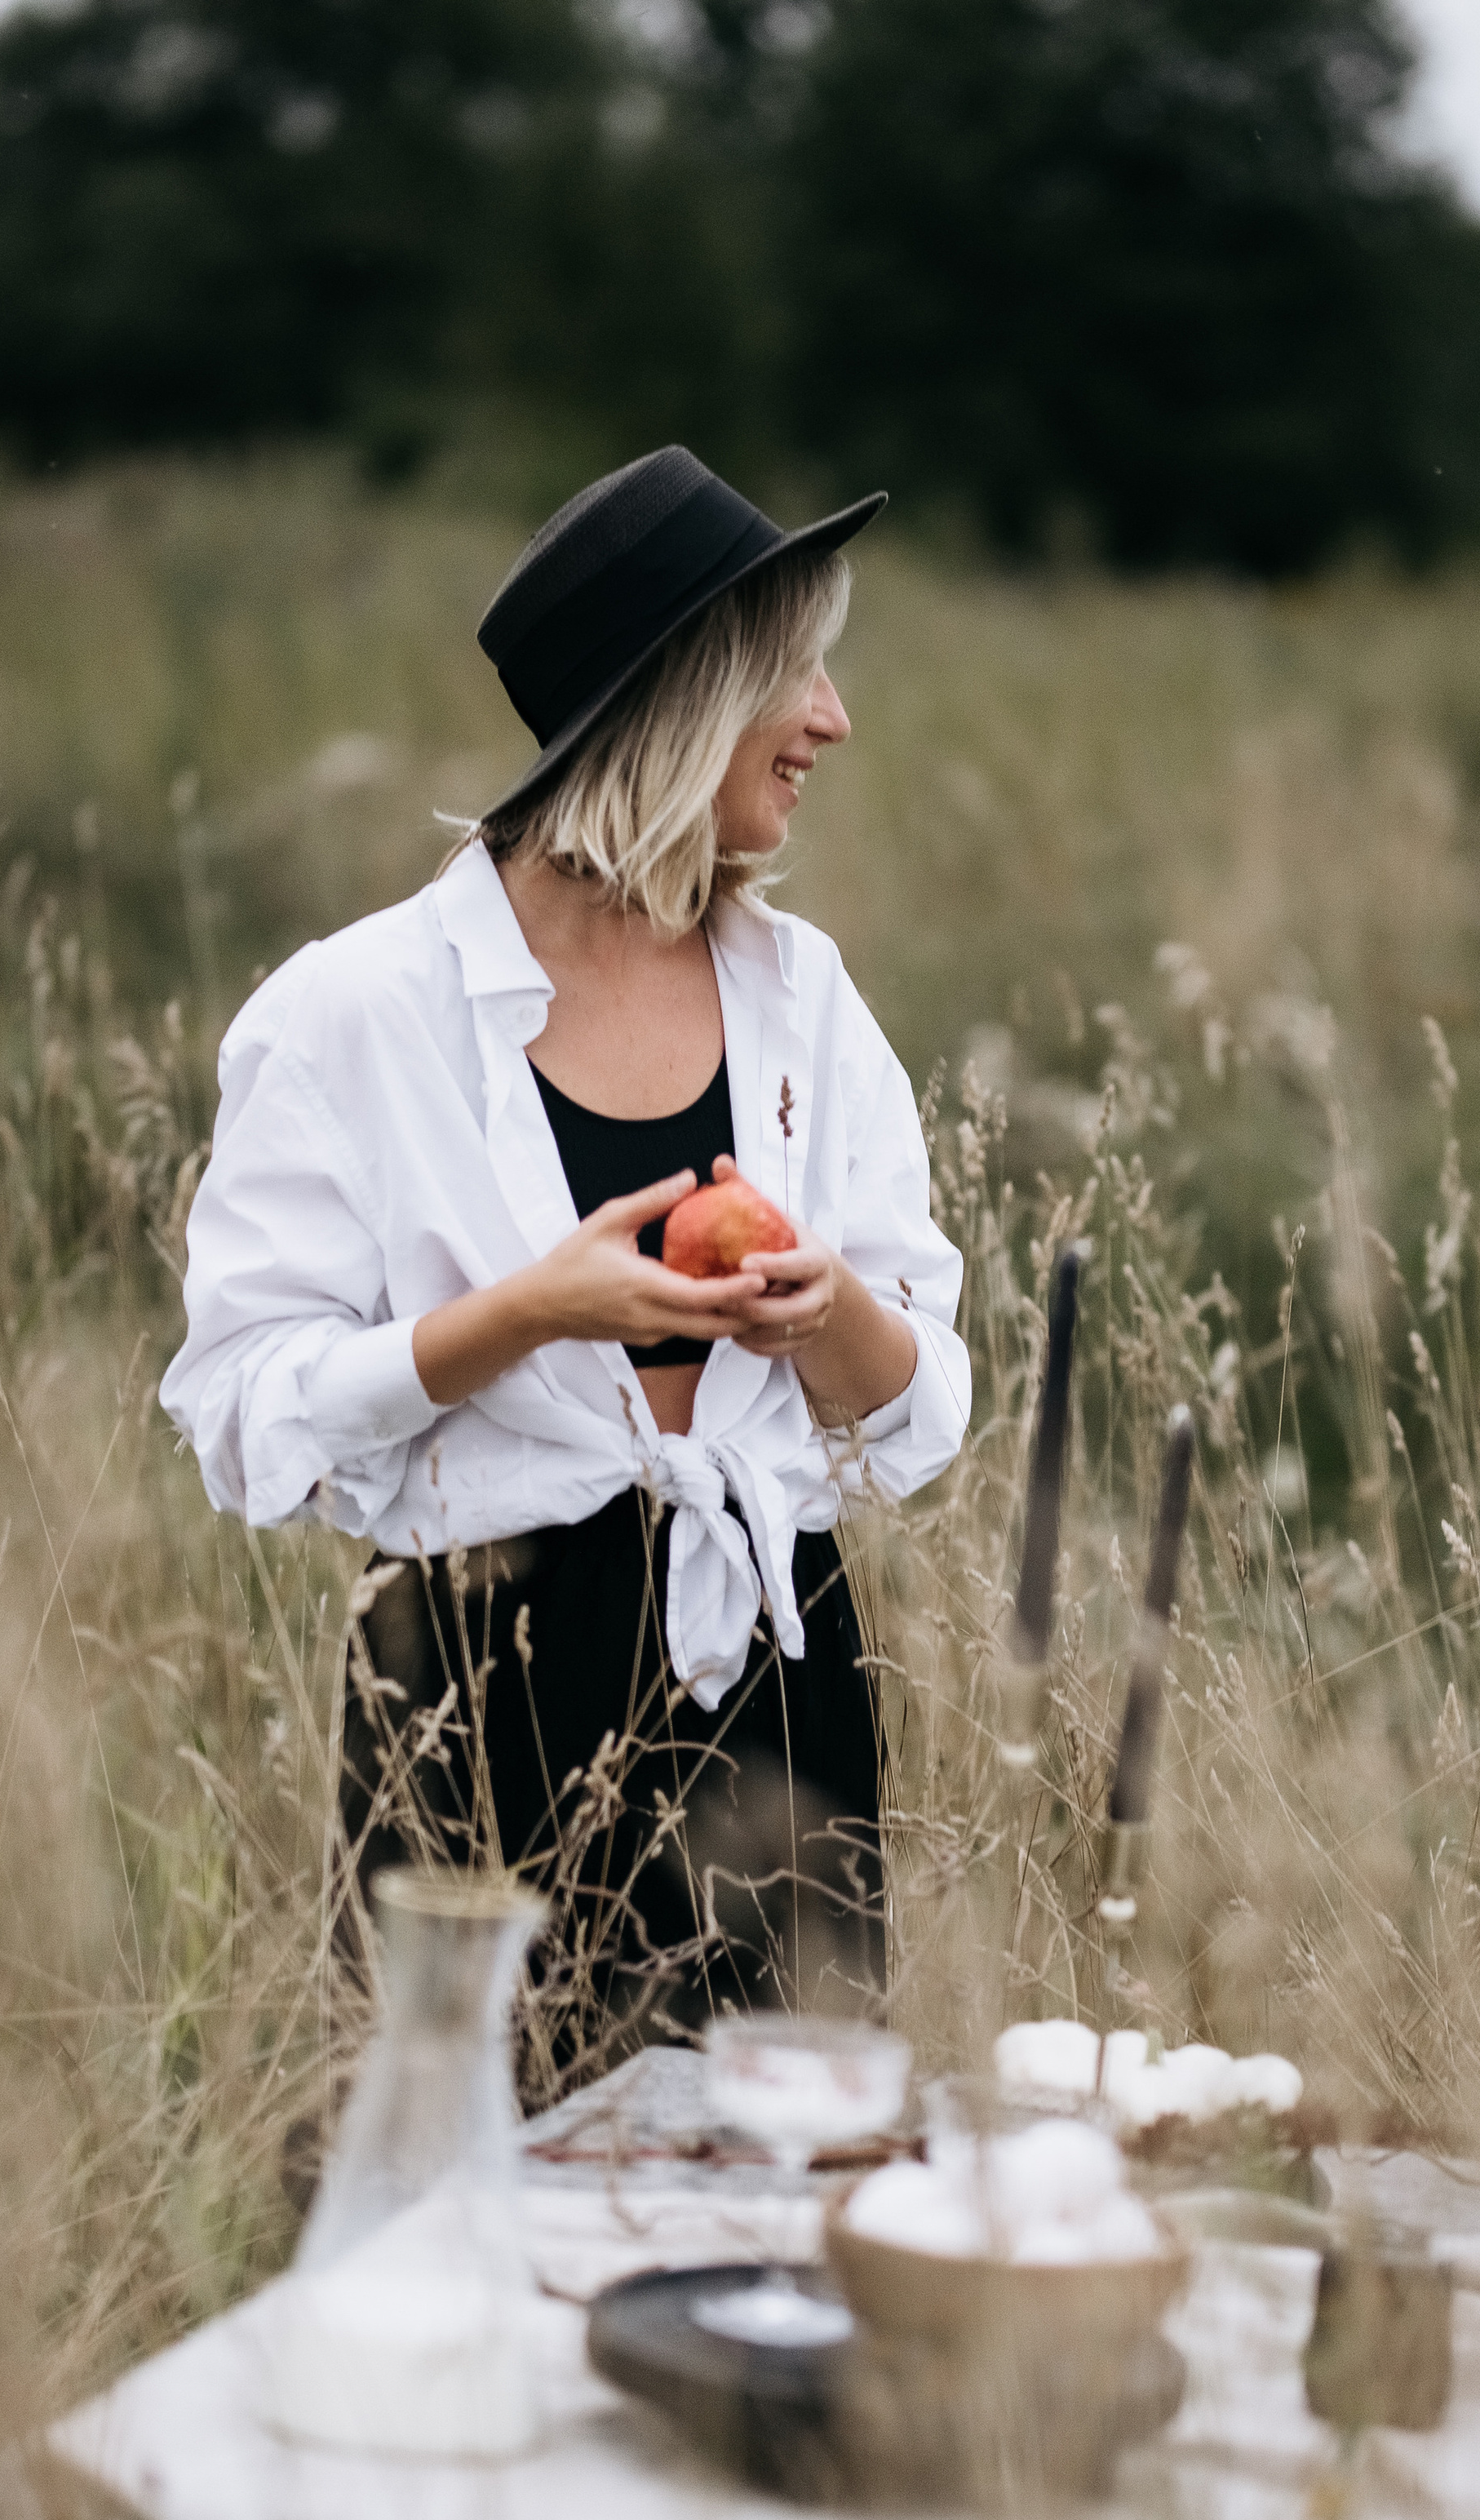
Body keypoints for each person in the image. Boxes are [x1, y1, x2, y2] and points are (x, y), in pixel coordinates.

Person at [162, 446, 971, 2091]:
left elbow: (924, 1417)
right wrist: (528, 1313)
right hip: (481, 1686)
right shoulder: (355, 1013)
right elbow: (241, 1419)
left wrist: (834, 1321)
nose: (831, 719)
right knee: (464, 2209)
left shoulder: (801, 999)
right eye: (794, 673)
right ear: (687, 698)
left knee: (781, 2212)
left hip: (773, 1687)